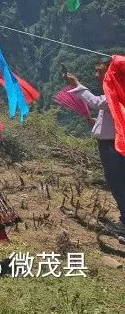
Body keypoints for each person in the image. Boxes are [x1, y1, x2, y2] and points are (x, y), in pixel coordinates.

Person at [65, 58, 125, 236]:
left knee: (117, 182)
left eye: (100, 71)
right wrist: (96, 123)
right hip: (109, 143)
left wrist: (76, 84)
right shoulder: (115, 92)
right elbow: (108, 115)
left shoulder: (116, 94)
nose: (96, 75)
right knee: (116, 181)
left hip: (113, 146)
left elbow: (98, 102)